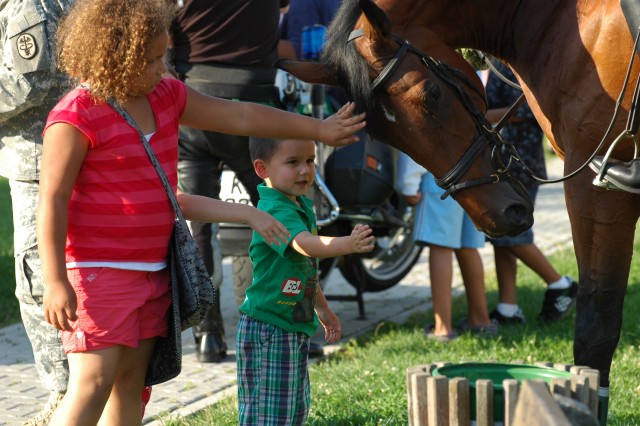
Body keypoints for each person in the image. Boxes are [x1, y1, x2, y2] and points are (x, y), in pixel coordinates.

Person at [36, 0, 365, 423]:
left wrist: (318, 129)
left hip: (154, 270)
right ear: (115, 57)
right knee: (93, 382)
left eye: (164, 56)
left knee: (132, 385)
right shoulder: (75, 115)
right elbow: (53, 199)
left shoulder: (167, 95)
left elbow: (241, 114)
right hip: (99, 274)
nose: (163, 68)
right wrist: (54, 280)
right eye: (152, 59)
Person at [169, 0, 292, 363]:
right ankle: (283, 323)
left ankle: (207, 335)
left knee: (198, 225)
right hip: (254, 99)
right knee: (281, 212)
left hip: (194, 100)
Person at [237, 136, 374, 424]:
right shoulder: (275, 209)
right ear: (262, 169)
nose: (305, 170)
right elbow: (305, 245)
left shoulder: (298, 205)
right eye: (293, 162)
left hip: (291, 324)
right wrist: (347, 243)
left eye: (310, 161)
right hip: (270, 328)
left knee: (292, 410)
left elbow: (305, 268)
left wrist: (321, 308)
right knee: (268, 415)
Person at [0, 1, 73, 424]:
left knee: (38, 282)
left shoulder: (30, 5)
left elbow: (29, 82)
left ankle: (66, 397)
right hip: (40, 159)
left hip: (41, 160)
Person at [484, 64, 578, 324]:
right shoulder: (497, 62)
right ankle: (508, 308)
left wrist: (482, 115)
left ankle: (560, 284)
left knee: (513, 235)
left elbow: (527, 107)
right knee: (500, 237)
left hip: (521, 163)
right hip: (502, 163)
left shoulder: (516, 63)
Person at [397, 153, 497, 341]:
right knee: (468, 247)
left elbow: (416, 135)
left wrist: (408, 183)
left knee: (440, 247)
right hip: (473, 174)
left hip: (440, 176)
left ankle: (443, 329)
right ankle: (481, 320)